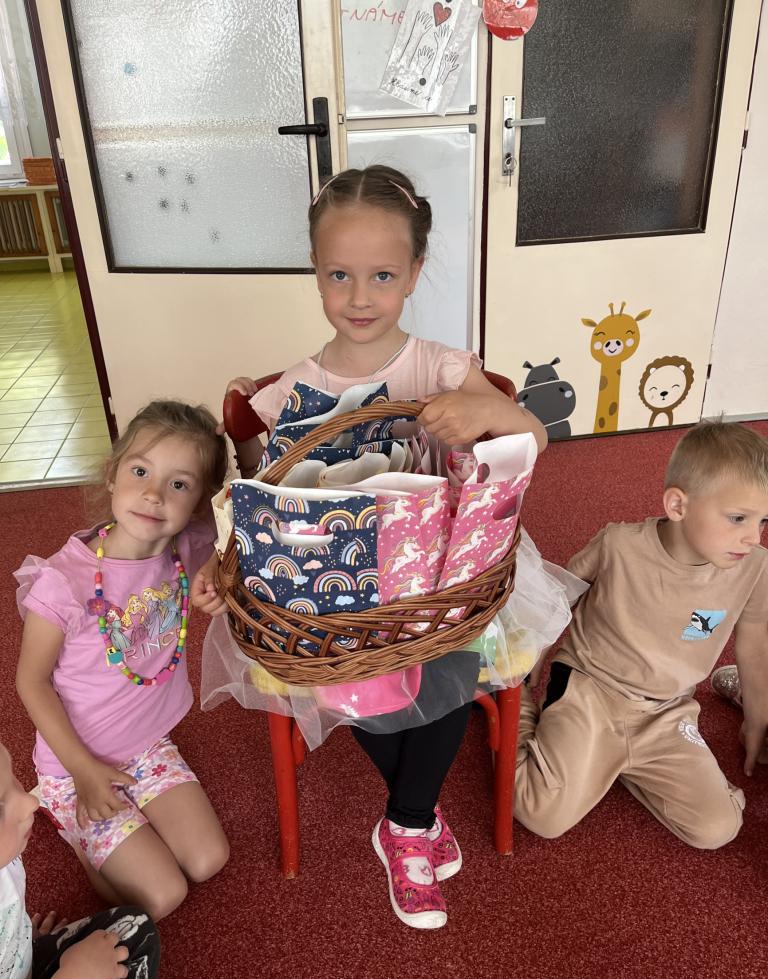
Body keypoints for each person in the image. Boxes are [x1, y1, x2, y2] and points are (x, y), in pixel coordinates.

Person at [196, 165, 548, 931]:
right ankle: (414, 817)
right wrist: (227, 551)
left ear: (415, 273)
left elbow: (533, 440)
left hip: (436, 586)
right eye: (339, 275)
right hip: (341, 600)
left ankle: (406, 820)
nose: (360, 297)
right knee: (349, 673)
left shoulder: (443, 369)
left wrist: (485, 411)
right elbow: (255, 506)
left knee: (452, 657)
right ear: (315, 272)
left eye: (383, 275)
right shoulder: (289, 393)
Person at [14, 401, 230, 922]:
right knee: (161, 896)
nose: (155, 494)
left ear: (198, 501)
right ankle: (69, 821)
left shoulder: (187, 545)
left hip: (148, 746)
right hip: (74, 764)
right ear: (112, 475)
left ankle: (118, 830)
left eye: (179, 484)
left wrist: (218, 574)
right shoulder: (62, 583)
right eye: (140, 472)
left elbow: (233, 529)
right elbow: (31, 682)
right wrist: (83, 771)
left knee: (208, 860)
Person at [515, 420, 768, 848]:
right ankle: (518, 707)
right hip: (591, 691)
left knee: (717, 829)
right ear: (678, 505)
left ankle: (617, 761)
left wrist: (758, 718)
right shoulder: (618, 544)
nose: (752, 537)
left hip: (666, 710)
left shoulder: (756, 567)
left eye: (763, 520)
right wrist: (526, 665)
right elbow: (558, 597)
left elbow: (756, 646)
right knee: (542, 816)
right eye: (738, 518)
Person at [0, 740, 160, 979]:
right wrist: (79, 978)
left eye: (12, 779)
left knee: (133, 925)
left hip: (20, 975)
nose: (30, 802)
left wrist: (19, 941)